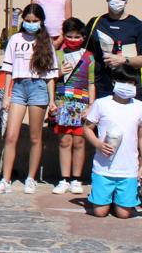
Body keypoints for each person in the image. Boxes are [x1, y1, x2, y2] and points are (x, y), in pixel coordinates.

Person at [0, 3, 58, 195]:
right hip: (19, 87)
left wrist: (52, 100)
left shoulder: (46, 42)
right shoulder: (15, 39)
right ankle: (5, 179)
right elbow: (8, 70)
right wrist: (7, 95)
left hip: (38, 87)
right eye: (27, 21)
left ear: (41, 21)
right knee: (11, 135)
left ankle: (31, 178)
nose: (31, 24)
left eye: (35, 21)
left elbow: (51, 75)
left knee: (35, 136)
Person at [83, 68, 142, 219]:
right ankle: (105, 198)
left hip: (128, 170)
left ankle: (119, 200)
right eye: (122, 82)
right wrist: (98, 144)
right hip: (103, 169)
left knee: (124, 214)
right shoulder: (101, 104)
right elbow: (87, 128)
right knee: (100, 213)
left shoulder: (139, 106)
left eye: (130, 83)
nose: (126, 85)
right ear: (114, 82)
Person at [87, 0, 142, 105]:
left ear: (127, 0)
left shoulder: (137, 25)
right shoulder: (96, 22)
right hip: (102, 88)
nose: (117, 0)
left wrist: (123, 60)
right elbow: (86, 53)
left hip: (129, 88)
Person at [52, 17, 95, 194]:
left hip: (82, 102)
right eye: (69, 36)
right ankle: (64, 179)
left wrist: (91, 105)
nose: (74, 40)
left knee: (79, 141)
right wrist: (60, 73)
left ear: (83, 37)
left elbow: (92, 82)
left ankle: (76, 179)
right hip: (63, 101)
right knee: (64, 140)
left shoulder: (89, 56)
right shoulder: (59, 55)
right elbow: (51, 78)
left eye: (78, 37)